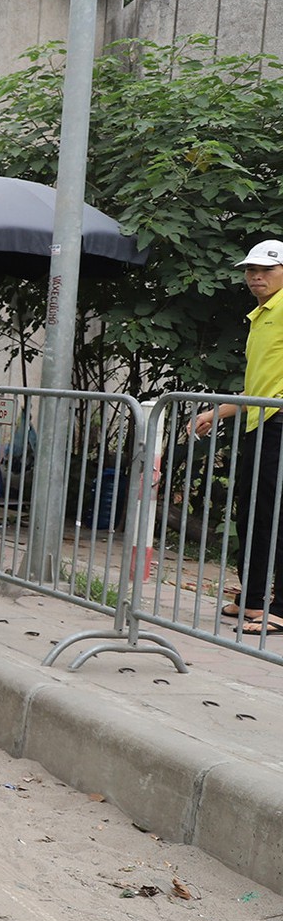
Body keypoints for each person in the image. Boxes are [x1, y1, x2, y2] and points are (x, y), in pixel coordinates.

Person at [190, 239, 283, 633]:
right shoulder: (262, 316)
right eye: (250, 270)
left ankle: (279, 609)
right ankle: (254, 598)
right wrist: (219, 411)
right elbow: (259, 385)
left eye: (265, 269)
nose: (255, 276)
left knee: (279, 516)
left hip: (280, 424)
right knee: (254, 514)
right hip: (260, 423)